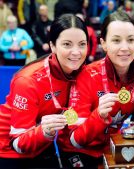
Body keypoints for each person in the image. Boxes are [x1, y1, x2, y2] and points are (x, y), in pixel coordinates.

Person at [64, 10, 134, 166]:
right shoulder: (86, 75)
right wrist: (98, 115)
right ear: (103, 43)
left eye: (131, 40)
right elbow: (75, 139)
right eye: (116, 41)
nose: (125, 48)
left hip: (115, 149)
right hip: (80, 152)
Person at [0, 14, 88, 168]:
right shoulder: (28, 81)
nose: (76, 52)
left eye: (82, 44)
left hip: (43, 145)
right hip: (10, 149)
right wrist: (44, 131)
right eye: (67, 44)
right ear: (52, 46)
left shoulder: (82, 70)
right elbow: (19, 143)